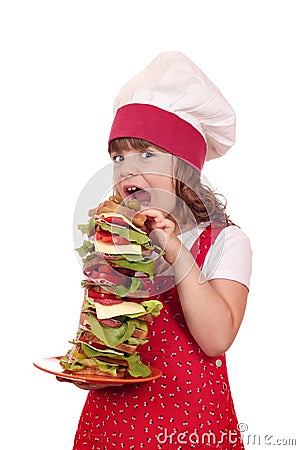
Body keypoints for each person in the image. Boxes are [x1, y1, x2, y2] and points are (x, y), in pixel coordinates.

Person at [67, 52, 252, 449]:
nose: (125, 168)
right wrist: (92, 362)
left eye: (146, 154)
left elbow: (216, 338)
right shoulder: (119, 238)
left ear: (185, 167)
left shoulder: (223, 241)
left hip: (189, 424)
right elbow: (104, 328)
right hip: (110, 423)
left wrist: (176, 253)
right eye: (118, 156)